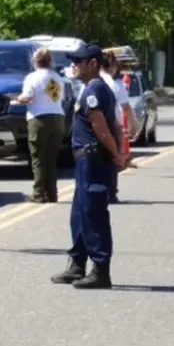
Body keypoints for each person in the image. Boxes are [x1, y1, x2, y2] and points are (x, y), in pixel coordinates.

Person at [51, 44, 130, 289]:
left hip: (93, 158)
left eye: (79, 61)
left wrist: (116, 154)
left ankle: (100, 269)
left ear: (93, 64)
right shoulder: (92, 88)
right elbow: (114, 124)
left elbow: (100, 125)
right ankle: (77, 264)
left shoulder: (95, 88)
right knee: (80, 213)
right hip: (85, 159)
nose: (74, 65)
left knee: (93, 213)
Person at [13, 46, 67, 203]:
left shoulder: (32, 78)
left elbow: (27, 97)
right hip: (57, 118)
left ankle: (38, 193)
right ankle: (52, 193)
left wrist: (18, 99)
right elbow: (57, 97)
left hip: (39, 118)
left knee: (38, 158)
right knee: (51, 158)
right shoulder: (56, 78)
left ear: (35, 61)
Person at [99, 53, 134, 203]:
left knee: (108, 158)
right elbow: (125, 107)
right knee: (112, 158)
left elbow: (125, 107)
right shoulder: (114, 84)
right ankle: (110, 191)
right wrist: (132, 125)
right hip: (113, 124)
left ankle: (108, 191)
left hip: (108, 124)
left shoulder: (111, 83)